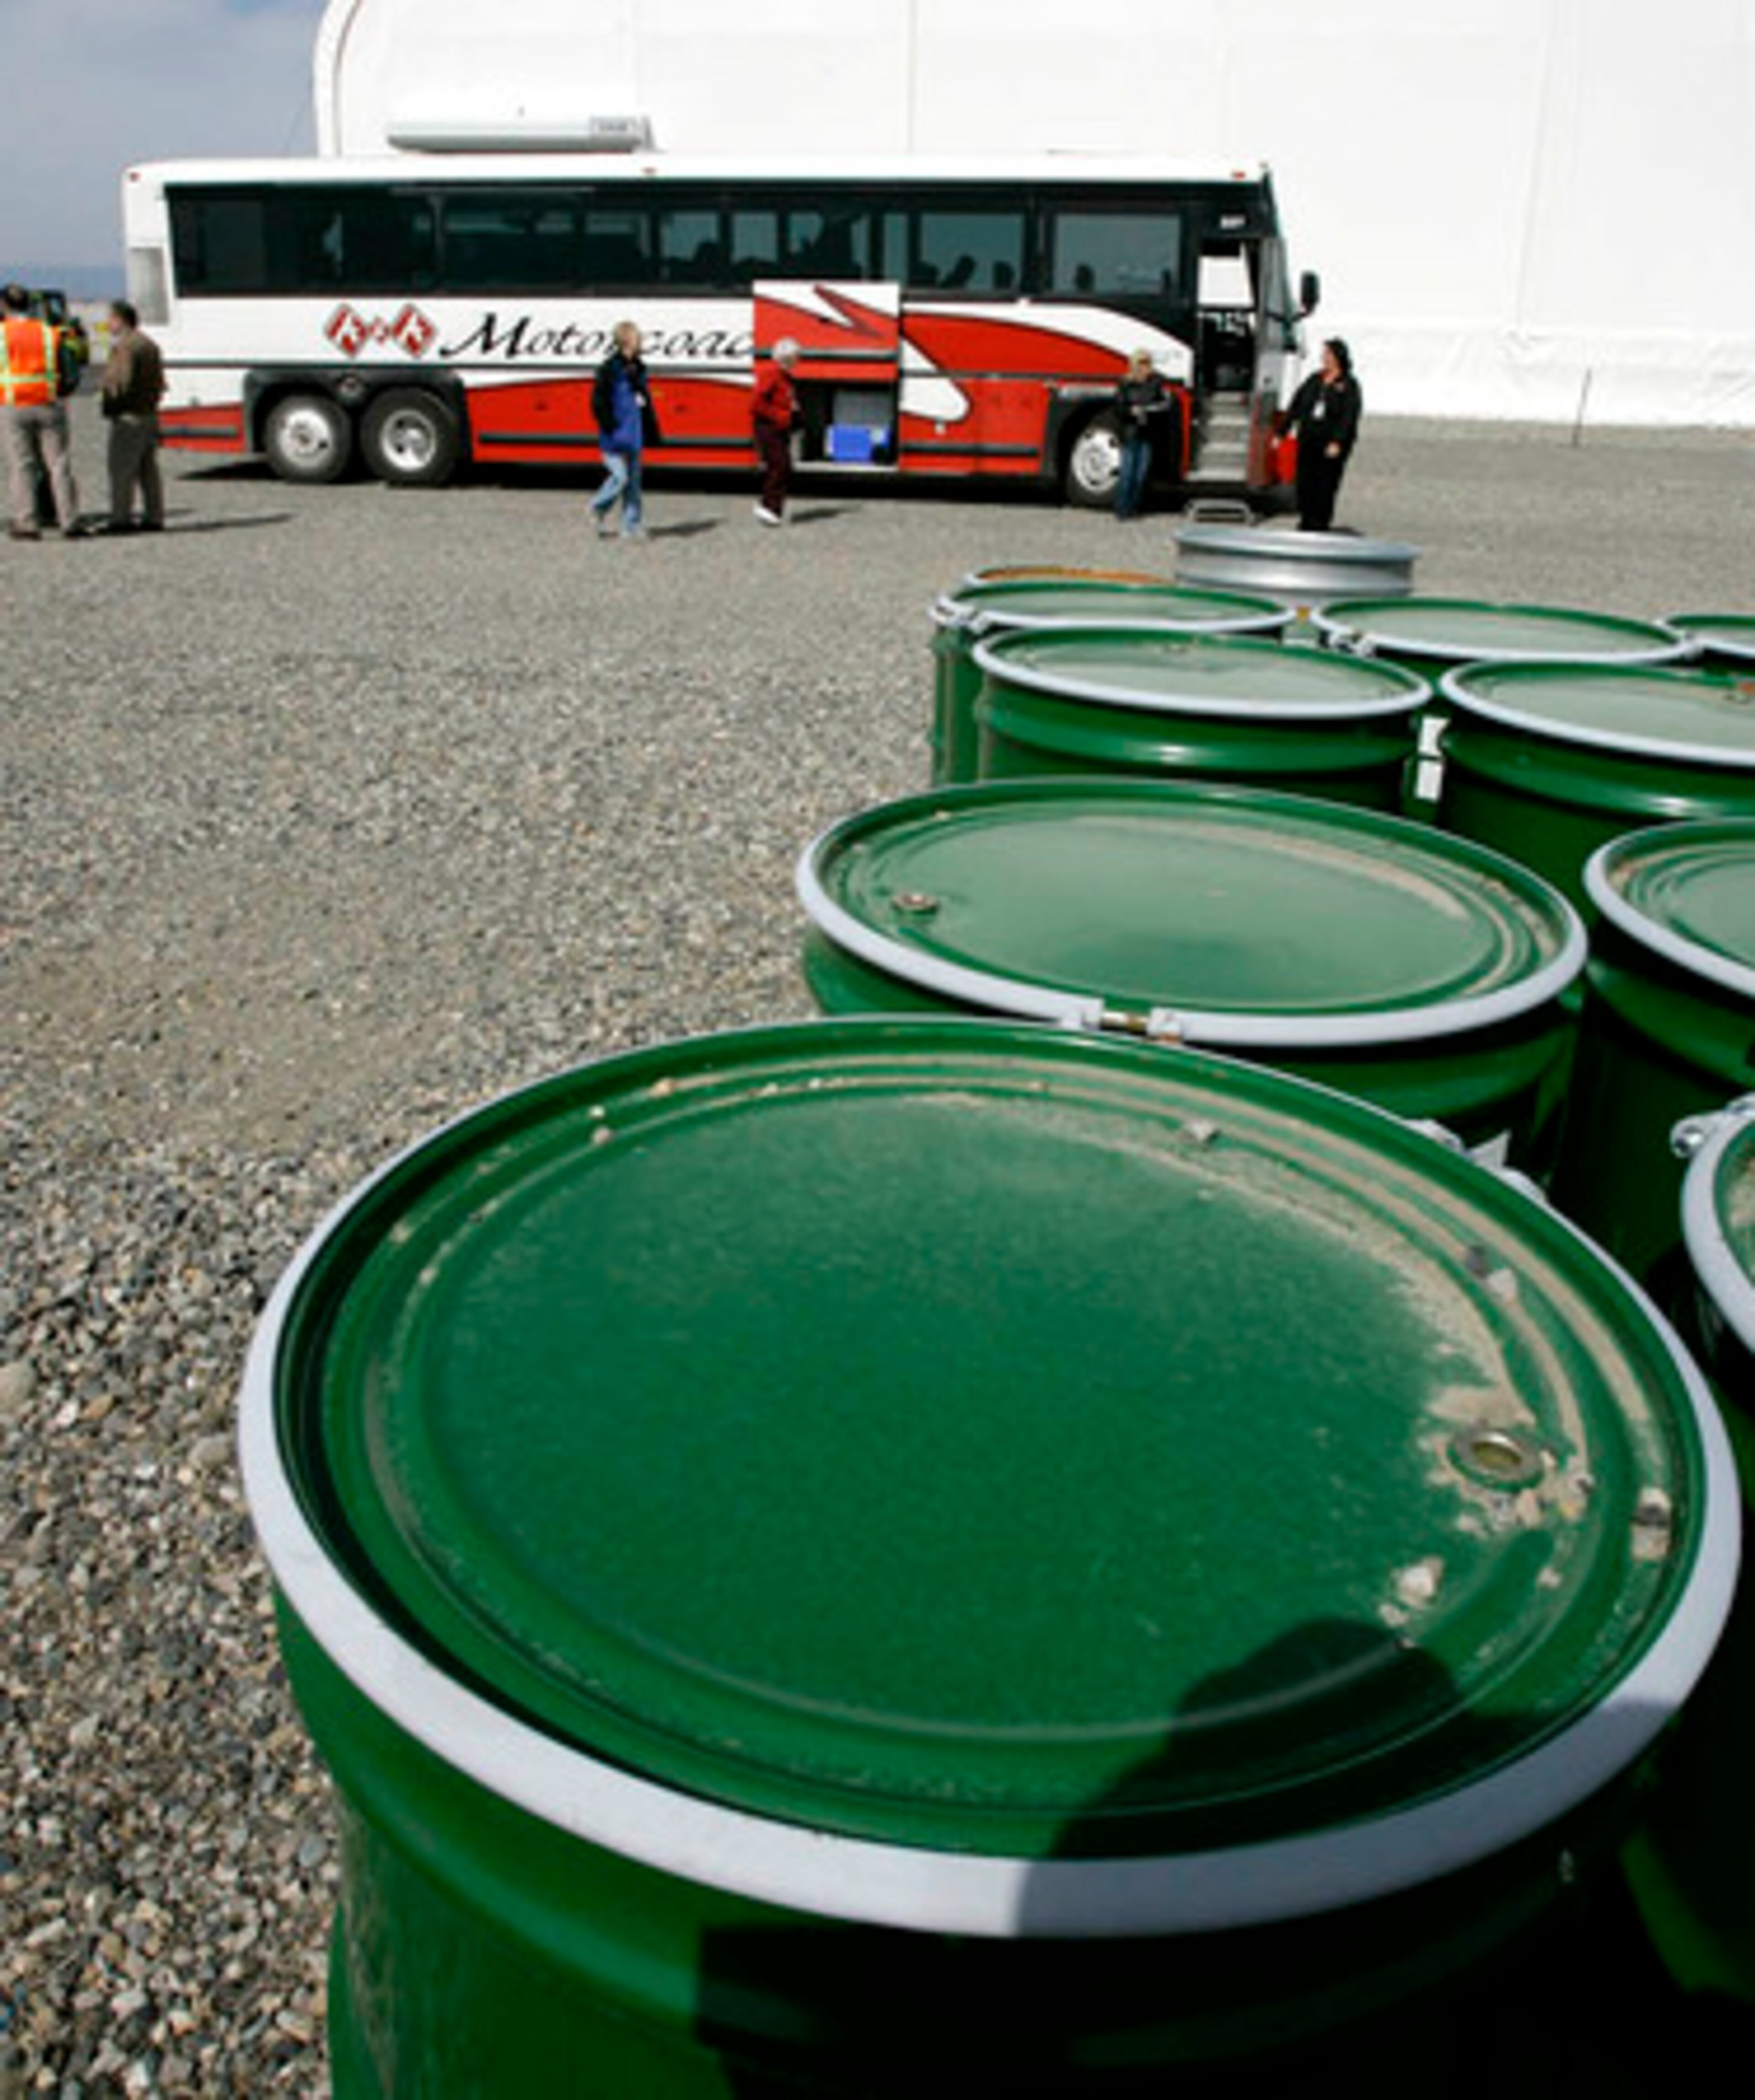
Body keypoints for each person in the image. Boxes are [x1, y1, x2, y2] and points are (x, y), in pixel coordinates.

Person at [2, 281, 86, 540]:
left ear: (4, 305)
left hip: (15, 405)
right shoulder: (50, 333)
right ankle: (69, 521)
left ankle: (27, 523)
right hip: (49, 404)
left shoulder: (3, 334)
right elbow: (71, 365)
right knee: (59, 464)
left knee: (22, 466)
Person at [1280, 338, 1362, 532]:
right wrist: (1283, 430)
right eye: (1324, 354)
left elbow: (1349, 416)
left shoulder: (1349, 385)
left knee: (1325, 483)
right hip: (1309, 439)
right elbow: (1297, 404)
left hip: (1330, 443)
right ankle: (1306, 519)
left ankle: (1320, 522)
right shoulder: (1315, 380)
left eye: (1328, 355)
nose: (1324, 359)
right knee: (1305, 482)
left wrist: (1338, 441)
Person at [588, 320, 660, 540]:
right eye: (638, 338)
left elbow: (645, 401)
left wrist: (651, 427)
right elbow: (598, 401)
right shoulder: (610, 369)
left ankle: (631, 526)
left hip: (634, 433)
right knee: (620, 477)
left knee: (634, 485)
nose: (642, 342)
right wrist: (609, 424)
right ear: (627, 341)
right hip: (614, 436)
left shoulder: (639, 368)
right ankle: (598, 506)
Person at [100, 299, 167, 533]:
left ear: (120, 320)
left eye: (110, 319)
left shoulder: (126, 347)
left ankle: (121, 519)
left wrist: (111, 404)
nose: (108, 324)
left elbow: (122, 382)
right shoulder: (149, 344)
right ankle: (154, 516)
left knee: (121, 469)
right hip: (150, 413)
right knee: (148, 470)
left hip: (130, 415)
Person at [1113, 349, 1171, 520]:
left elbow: (1162, 403)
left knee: (1141, 474)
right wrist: (1132, 411)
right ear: (1134, 365)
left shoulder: (1156, 383)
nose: (1144, 367)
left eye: (1147, 363)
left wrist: (1155, 409)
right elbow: (1118, 408)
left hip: (1148, 432)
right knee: (1127, 473)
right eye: (1141, 363)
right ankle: (1122, 509)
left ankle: (1134, 508)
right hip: (1130, 432)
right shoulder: (1125, 383)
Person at [751, 338, 801, 525]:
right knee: (780, 466)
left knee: (781, 466)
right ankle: (769, 507)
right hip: (769, 427)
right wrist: (781, 416)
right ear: (786, 358)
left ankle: (771, 507)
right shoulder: (772, 374)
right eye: (796, 357)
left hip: (779, 427)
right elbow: (757, 403)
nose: (799, 361)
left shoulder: (786, 377)